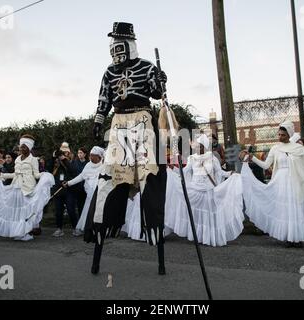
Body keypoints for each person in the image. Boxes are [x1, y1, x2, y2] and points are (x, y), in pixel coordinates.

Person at [87, 22, 169, 275]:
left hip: (143, 121)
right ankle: (103, 227)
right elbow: (103, 97)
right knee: (111, 176)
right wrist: (98, 120)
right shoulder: (109, 72)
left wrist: (160, 80)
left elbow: (157, 94)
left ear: (130, 43)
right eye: (113, 43)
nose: (115, 49)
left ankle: (155, 232)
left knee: (148, 174)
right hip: (119, 124)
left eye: (119, 42)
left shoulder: (145, 66)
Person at [240, 121, 304, 248]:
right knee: (285, 210)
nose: (280, 137)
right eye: (279, 134)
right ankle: (288, 236)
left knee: (296, 208)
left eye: (283, 135)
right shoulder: (275, 149)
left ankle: (297, 238)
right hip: (280, 183)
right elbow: (266, 165)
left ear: (289, 135)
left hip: (295, 182)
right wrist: (252, 158)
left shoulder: (298, 149)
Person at [165, 134, 244, 247]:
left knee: (208, 215)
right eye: (197, 145)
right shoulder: (192, 158)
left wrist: (230, 174)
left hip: (208, 191)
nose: (197, 148)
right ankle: (199, 236)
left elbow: (220, 172)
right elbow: (185, 171)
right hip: (195, 190)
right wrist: (174, 169)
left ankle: (209, 237)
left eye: (200, 146)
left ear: (205, 147)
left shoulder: (212, 158)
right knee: (196, 214)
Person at [0, 135, 54, 241]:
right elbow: (15, 174)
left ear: (29, 147)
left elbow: (36, 175)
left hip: (28, 189)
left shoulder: (33, 160)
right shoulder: (17, 159)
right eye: (20, 147)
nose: (21, 149)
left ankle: (23, 232)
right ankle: (17, 232)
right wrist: (2, 175)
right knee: (16, 212)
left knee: (26, 212)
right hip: (16, 187)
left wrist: (45, 175)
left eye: (24, 147)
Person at [63, 146, 104, 235]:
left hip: (100, 196)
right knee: (88, 211)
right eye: (91, 155)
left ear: (99, 157)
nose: (91, 157)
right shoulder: (88, 165)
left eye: (94, 155)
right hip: (90, 196)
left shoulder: (104, 166)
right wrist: (69, 183)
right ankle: (88, 228)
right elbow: (81, 176)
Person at [51, 142, 79, 237]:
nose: (63, 154)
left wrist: (64, 160)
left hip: (69, 189)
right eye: (62, 152)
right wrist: (53, 157)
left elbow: (73, 171)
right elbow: (49, 169)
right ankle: (59, 229)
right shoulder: (56, 162)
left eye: (65, 152)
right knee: (58, 210)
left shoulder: (72, 161)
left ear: (68, 152)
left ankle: (76, 228)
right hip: (58, 188)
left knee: (71, 209)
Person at [73, 147, 89, 218]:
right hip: (78, 188)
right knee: (79, 206)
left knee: (86, 206)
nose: (79, 154)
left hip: (86, 188)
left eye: (81, 153)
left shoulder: (88, 163)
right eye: (78, 153)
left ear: (85, 154)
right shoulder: (75, 162)